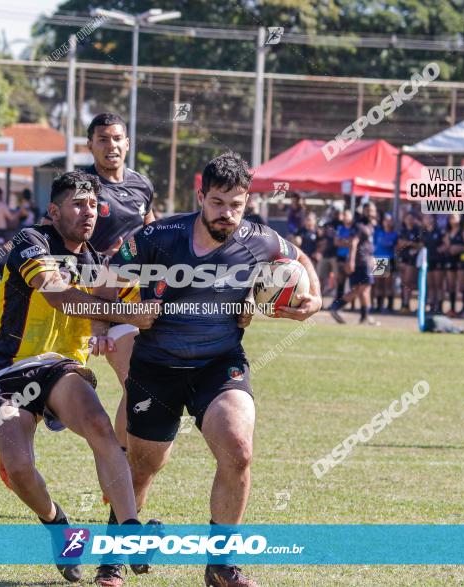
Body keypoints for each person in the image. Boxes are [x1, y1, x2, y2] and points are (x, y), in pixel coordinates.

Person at [100, 152, 321, 587]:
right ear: (200, 196)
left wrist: (312, 300)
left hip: (219, 365)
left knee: (238, 449)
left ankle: (221, 564)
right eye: (218, 203)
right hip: (156, 366)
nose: (227, 214)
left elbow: (303, 262)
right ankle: (116, 555)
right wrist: (120, 316)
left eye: (237, 205)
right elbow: (104, 283)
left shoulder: (260, 239)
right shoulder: (158, 236)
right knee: (143, 466)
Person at [0, 170, 161, 584]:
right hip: (7, 371)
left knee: (99, 426)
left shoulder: (98, 262)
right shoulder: (30, 241)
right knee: (18, 468)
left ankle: (129, 531)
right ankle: (60, 525)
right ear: (53, 210)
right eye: (78, 204)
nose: (88, 212)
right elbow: (57, 294)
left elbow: (131, 302)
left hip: (61, 367)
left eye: (94, 205)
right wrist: (122, 314)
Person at [82, 112, 157, 462]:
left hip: (126, 298)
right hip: (83, 295)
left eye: (117, 138)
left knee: (138, 381)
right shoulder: (81, 186)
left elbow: (150, 229)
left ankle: (120, 469)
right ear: (90, 145)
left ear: (127, 143)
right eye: (102, 139)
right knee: (48, 384)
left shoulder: (142, 184)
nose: (111, 145)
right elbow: (55, 232)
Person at [328, 202, 379, 325]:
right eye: (368, 210)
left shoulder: (370, 225)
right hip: (362, 262)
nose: (370, 213)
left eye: (372, 210)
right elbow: (353, 243)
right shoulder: (360, 226)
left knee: (358, 290)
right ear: (364, 212)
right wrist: (350, 261)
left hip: (368, 260)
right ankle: (365, 317)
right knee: (365, 290)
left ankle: (360, 316)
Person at [396, 212, 423, 313]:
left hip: (410, 260)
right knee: (401, 283)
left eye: (411, 218)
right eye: (407, 218)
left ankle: (406, 304)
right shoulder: (401, 231)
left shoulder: (417, 231)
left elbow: (420, 245)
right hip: (385, 258)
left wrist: (407, 243)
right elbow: (398, 245)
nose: (409, 220)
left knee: (407, 282)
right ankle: (402, 304)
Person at [441, 213, 464, 316]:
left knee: (461, 285)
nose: (453, 219)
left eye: (455, 216)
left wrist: (459, 248)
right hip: (450, 259)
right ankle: (452, 308)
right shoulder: (448, 233)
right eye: (451, 217)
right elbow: (446, 246)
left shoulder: (463, 232)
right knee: (451, 285)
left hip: (461, 259)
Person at [372, 212, 398, 313]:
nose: (387, 223)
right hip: (379, 260)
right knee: (378, 284)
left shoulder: (394, 234)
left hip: (389, 259)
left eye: (389, 220)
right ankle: (379, 305)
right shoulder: (378, 233)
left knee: (388, 285)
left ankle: (390, 306)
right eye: (386, 220)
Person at [420, 214, 446, 313]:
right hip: (428, 260)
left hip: (437, 260)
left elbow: (446, 243)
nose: (427, 220)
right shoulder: (423, 232)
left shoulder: (439, 231)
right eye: (425, 217)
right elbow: (422, 244)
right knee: (430, 285)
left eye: (429, 217)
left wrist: (440, 250)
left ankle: (439, 306)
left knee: (438, 284)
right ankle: (431, 305)